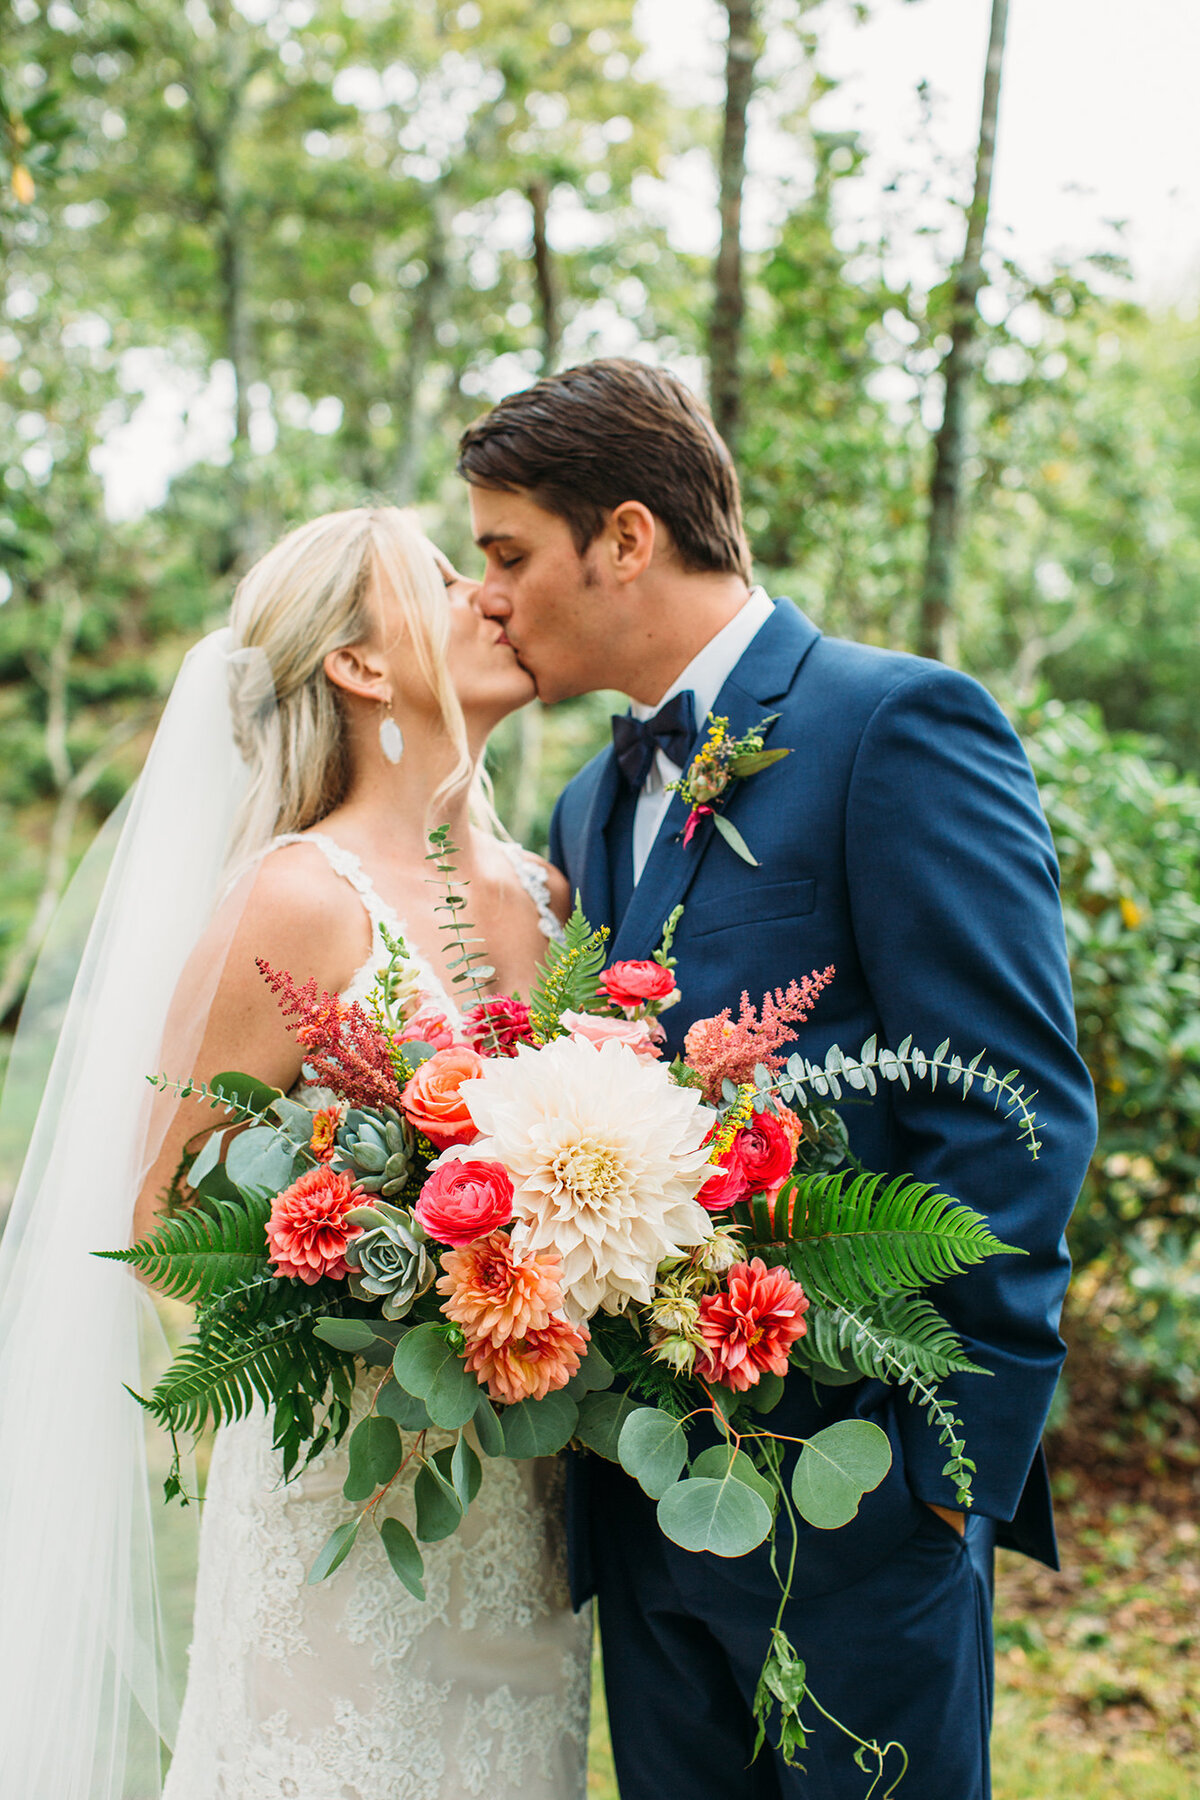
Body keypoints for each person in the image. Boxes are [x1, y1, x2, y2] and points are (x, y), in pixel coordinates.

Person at [457, 359, 1099, 1800]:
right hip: (644, 1508)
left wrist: (946, 1472)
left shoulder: (899, 726)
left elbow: (1015, 1112)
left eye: (509, 553)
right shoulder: (586, 801)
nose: (486, 595)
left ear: (625, 537)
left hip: (862, 1502)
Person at [0, 507, 591, 1800]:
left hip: (525, 1505)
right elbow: (160, 1216)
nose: (486, 596)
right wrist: (375, 1291)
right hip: (348, 1504)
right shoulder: (297, 898)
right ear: (361, 668)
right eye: (441, 581)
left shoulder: (553, 899)